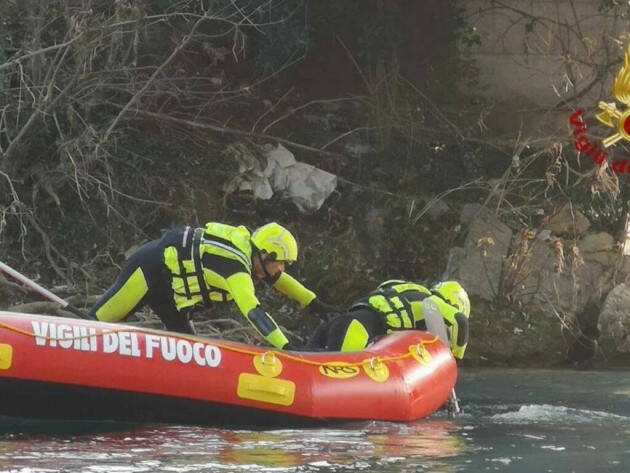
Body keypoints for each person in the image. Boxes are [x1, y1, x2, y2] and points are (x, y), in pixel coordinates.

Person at [89, 222, 339, 349]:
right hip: (147, 271)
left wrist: (314, 303)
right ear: (264, 255)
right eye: (281, 263)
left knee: (187, 350)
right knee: (92, 324)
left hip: (171, 295)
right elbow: (254, 311)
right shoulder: (236, 270)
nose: (282, 270)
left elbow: (280, 280)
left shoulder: (251, 255)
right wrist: (286, 347)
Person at [306, 280, 470, 359]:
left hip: (339, 322)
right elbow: (461, 321)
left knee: (305, 358)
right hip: (357, 329)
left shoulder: (403, 288)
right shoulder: (433, 303)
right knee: (336, 373)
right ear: (450, 303)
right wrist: (454, 358)